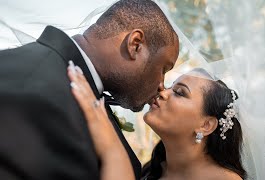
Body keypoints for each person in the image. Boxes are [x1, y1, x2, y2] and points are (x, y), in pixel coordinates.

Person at [0, 0, 179, 179]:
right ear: (135, 44)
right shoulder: (36, 97)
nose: (162, 84)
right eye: (164, 68)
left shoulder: (57, 79)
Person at [68, 66, 246, 180]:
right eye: (170, 87)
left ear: (206, 125)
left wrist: (112, 150)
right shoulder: (152, 170)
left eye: (180, 92)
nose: (163, 92)